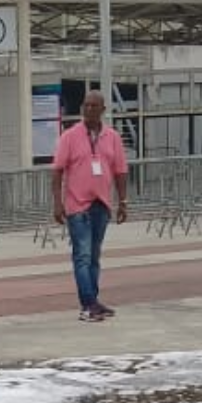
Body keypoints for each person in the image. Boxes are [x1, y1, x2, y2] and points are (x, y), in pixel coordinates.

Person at [49, 89, 130, 322]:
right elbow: (57, 171)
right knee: (82, 256)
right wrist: (57, 203)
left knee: (94, 256)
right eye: (86, 105)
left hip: (101, 204)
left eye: (94, 106)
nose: (89, 110)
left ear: (103, 110)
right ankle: (87, 304)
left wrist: (123, 202)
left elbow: (121, 171)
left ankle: (93, 300)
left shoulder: (112, 137)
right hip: (78, 205)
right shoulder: (70, 136)